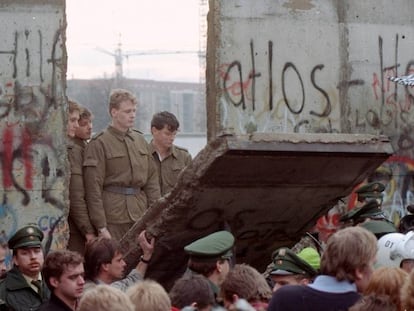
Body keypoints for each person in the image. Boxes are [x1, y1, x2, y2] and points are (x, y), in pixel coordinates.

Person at [83, 88, 161, 240]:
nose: (132, 115)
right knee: (114, 260)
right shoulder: (100, 143)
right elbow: (93, 189)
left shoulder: (140, 140)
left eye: (134, 111)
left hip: (140, 214)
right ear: (114, 112)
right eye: (127, 111)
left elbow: (152, 181)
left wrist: (154, 215)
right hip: (113, 217)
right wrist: (101, 225)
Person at [267, 226, 378, 311]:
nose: (374, 271)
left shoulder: (285, 298)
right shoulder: (367, 307)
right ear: (359, 271)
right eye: (373, 264)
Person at [83, 230, 154, 292]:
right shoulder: (100, 294)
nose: (124, 263)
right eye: (119, 260)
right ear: (105, 266)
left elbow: (132, 280)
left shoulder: (92, 286)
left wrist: (146, 256)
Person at [67, 103, 96, 254]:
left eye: (90, 123)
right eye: (83, 124)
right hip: (77, 229)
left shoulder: (84, 147)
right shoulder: (74, 150)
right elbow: (76, 195)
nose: (89, 127)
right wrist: (88, 231)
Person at [0, 225, 50, 310]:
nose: (33, 257)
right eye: (25, 253)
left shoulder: (55, 281)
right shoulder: (4, 291)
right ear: (15, 260)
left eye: (37, 251)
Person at [184, 230, 235, 304]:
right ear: (219, 265)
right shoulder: (213, 302)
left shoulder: (183, 294)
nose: (228, 266)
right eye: (227, 260)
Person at [149, 111, 192, 196]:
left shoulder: (184, 157)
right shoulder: (142, 155)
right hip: (149, 207)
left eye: (174, 134)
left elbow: (192, 186)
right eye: (167, 134)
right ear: (154, 131)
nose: (172, 138)